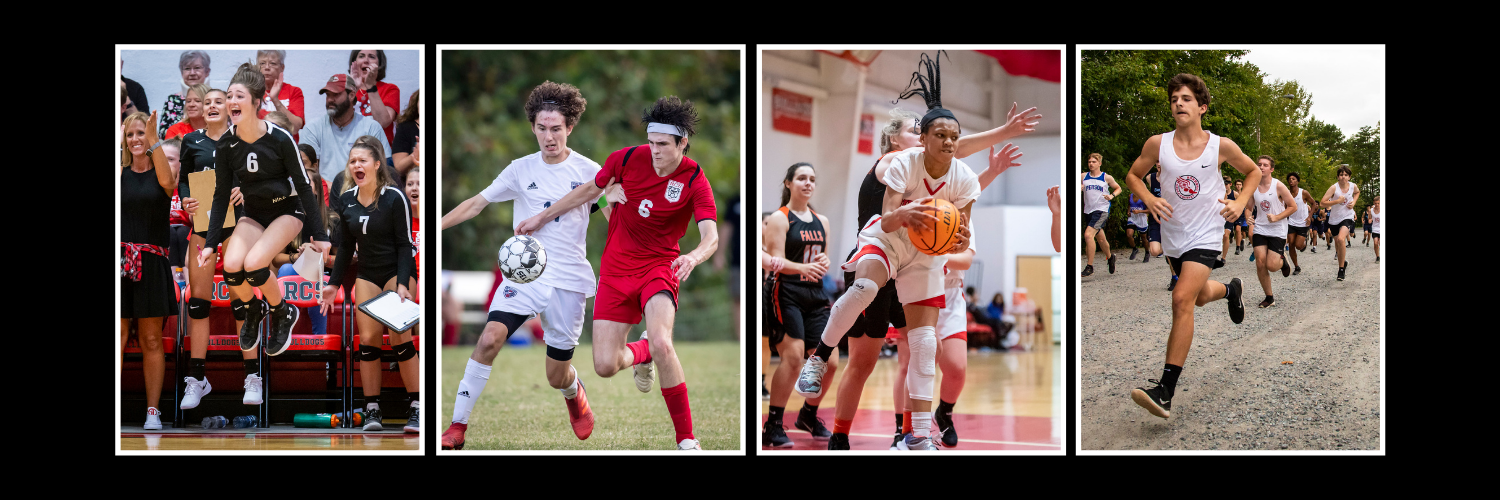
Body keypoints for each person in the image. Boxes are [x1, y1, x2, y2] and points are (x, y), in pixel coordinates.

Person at [813, 89, 1036, 450]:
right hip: (880, 251)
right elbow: (946, 150)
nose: (939, 140)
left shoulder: (940, 166)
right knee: (863, 362)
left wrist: (991, 163)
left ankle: (911, 434)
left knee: (921, 349)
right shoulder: (892, 162)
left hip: (916, 262)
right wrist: (1001, 134)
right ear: (901, 139)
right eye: (917, 130)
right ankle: (835, 419)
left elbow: (953, 166)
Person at [796, 52, 987, 451]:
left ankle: (918, 436)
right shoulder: (902, 163)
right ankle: (819, 356)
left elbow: (964, 237)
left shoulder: (966, 178)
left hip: (924, 256)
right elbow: (885, 220)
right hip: (886, 238)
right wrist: (904, 214)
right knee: (864, 288)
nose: (949, 142)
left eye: (954, 137)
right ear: (924, 138)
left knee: (923, 345)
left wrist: (956, 239)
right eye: (940, 135)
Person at [516, 95, 720, 451]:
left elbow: (711, 236)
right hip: (615, 270)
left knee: (663, 342)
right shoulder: (625, 159)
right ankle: (641, 352)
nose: (653, 151)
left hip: (660, 267)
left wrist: (694, 257)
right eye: (651, 142)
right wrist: (541, 217)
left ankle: (687, 440)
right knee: (605, 366)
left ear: (682, 143)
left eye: (662, 145)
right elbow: (586, 192)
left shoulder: (695, 180)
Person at [439, 82, 612, 449]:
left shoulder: (590, 171)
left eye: (556, 129)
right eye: (541, 128)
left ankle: (572, 392)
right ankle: (457, 427)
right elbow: (476, 203)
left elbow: (617, 219)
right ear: (533, 127)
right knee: (489, 338)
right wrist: (431, 228)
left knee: (555, 375)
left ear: (570, 128)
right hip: (526, 276)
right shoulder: (520, 169)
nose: (548, 137)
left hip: (569, 281)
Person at [1123, 73, 1259, 420]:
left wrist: (1240, 200)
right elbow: (1132, 176)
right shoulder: (1158, 144)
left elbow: (1253, 172)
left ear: (1202, 107)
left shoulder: (1220, 146)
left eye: (1185, 98)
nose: (1178, 104)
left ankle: (1165, 391)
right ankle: (1230, 290)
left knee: (1181, 298)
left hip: (1207, 233)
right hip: (1174, 235)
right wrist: (1149, 198)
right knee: (1196, 296)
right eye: (1174, 99)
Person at [197, 63, 329, 359]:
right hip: (253, 214)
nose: (231, 102)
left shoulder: (280, 138)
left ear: (256, 103)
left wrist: (319, 234)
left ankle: (283, 312)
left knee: (255, 264)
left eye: (239, 96)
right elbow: (219, 197)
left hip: (287, 211)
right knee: (231, 266)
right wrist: (209, 244)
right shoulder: (227, 145)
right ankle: (254, 309)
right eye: (229, 95)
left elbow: (304, 186)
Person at [177, 88, 269, 408]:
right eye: (208, 102)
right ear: (201, 109)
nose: (213, 105)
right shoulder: (190, 141)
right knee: (198, 304)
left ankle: (252, 377)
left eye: (219, 101)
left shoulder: (243, 138)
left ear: (229, 108)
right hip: (203, 226)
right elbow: (184, 182)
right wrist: (186, 199)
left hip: (237, 225)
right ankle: (198, 379)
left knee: (240, 301)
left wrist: (245, 188)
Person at [319, 140, 418, 432]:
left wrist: (402, 284)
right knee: (368, 342)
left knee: (400, 338)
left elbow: (404, 245)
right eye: (353, 162)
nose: (357, 166)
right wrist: (332, 285)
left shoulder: (394, 198)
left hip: (396, 273)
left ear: (377, 165)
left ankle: (417, 405)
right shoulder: (347, 199)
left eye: (363, 160)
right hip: (367, 275)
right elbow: (347, 248)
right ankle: (372, 408)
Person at [763, 163, 836, 447]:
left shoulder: (823, 221)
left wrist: (824, 263)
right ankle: (773, 424)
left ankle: (808, 413)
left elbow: (824, 261)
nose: (808, 183)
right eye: (802, 178)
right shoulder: (780, 220)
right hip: (786, 292)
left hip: (815, 295)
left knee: (827, 363)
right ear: (788, 184)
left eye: (812, 179)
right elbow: (777, 262)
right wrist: (804, 268)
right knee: (793, 360)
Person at [121, 111, 174, 429]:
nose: (135, 139)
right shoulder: (120, 172)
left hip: (152, 263)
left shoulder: (161, 173)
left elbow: (169, 184)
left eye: (140, 133)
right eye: (130, 135)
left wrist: (155, 138)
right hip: (120, 262)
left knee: (152, 339)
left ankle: (152, 411)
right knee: (119, 335)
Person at [300, 74, 391, 182]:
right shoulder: (313, 128)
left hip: (363, 192)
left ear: (352, 95)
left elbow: (383, 169)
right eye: (328, 95)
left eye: (336, 95)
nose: (330, 99)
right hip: (325, 195)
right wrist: (333, 190)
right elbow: (308, 171)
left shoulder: (371, 127)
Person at [1248, 156, 1297, 307]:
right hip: (1260, 228)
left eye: (1265, 165)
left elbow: (1293, 206)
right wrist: (1248, 217)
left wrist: (1277, 217)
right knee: (1260, 262)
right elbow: (1248, 207)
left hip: (1277, 228)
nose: (1261, 167)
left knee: (1272, 265)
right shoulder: (1253, 185)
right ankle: (1269, 297)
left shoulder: (1279, 186)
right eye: (1259, 164)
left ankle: (1282, 262)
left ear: (1271, 169)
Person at [349, 50, 401, 144]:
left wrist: (370, 86)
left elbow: (382, 122)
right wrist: (353, 88)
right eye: (361, 56)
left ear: (380, 64)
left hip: (380, 152)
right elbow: (338, 122)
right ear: (354, 62)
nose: (366, 60)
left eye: (371, 57)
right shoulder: (346, 90)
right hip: (351, 152)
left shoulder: (390, 89)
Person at [1081, 153, 1120, 276]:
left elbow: (1118, 188)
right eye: (1089, 162)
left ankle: (1090, 266)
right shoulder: (1083, 176)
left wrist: (1111, 196)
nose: (1091, 164)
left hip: (1101, 210)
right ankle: (1110, 257)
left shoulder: (1106, 177)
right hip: (1088, 210)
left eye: (1093, 162)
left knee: (1088, 235)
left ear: (1099, 163)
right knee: (1101, 238)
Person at [1320, 165, 1360, 281]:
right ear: (1338, 177)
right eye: (1341, 175)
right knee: (1338, 243)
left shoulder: (1353, 186)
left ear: (1349, 177)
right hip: (1334, 219)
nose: (1343, 177)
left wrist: (1354, 202)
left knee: (1340, 239)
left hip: (1348, 216)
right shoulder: (1334, 188)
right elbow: (1322, 203)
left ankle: (1341, 269)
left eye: (1346, 175)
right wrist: (1337, 201)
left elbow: (1357, 192)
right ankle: (1343, 262)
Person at [159, 51, 210, 138]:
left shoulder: (216, 98)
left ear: (207, 71)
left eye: (197, 68)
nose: (192, 73)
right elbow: (162, 134)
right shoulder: (172, 100)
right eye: (187, 68)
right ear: (181, 72)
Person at [1144, 162, 1177, 289]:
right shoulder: (1149, 178)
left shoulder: (1174, 178)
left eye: (1162, 161)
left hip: (1170, 217)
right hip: (1156, 217)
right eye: (1157, 161)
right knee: (1155, 251)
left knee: (1170, 249)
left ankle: (1175, 277)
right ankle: (1169, 252)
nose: (1159, 164)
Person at [1284, 171, 1316, 275]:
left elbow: (1314, 204)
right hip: (1291, 222)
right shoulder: (1286, 193)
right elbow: (1285, 207)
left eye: (1293, 179)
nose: (1291, 181)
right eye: (1289, 179)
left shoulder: (1303, 193)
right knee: (1291, 243)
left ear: (1297, 181)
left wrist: (1309, 216)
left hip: (1303, 223)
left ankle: (1304, 242)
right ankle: (1296, 267)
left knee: (1298, 245)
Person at [392, 90, 420, 186]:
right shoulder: (405, 128)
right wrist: (414, 155)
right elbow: (399, 168)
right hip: (412, 184)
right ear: (416, 104)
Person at [1126, 191, 1149, 261]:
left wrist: (1140, 211)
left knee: (1143, 238)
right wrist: (1128, 211)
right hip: (1132, 218)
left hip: (1141, 218)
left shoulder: (1144, 197)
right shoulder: (1130, 196)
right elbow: (1129, 205)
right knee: (1129, 235)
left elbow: (1149, 210)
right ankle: (1134, 249)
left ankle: (1147, 252)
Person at [1370, 195, 1381, 262]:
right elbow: (1369, 218)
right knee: (1375, 242)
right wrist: (1369, 220)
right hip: (1375, 228)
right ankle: (1377, 256)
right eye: (1375, 203)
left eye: (1378, 203)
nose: (1376, 205)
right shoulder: (1371, 210)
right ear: (1374, 203)